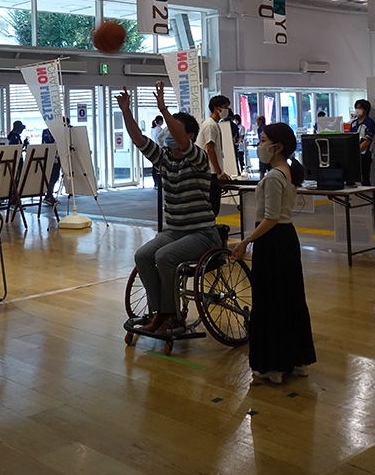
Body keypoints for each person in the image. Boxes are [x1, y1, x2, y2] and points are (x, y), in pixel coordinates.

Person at [118, 82, 221, 334]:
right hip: (174, 232)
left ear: (190, 136)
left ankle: (172, 316)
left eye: (174, 128)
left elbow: (183, 144)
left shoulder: (198, 158)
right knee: (143, 255)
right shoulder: (164, 158)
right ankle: (159, 312)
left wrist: (164, 109)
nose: (168, 132)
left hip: (202, 233)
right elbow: (138, 139)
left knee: (165, 256)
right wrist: (126, 111)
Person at [230, 122, 316, 385]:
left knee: (269, 301)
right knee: (290, 298)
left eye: (263, 140)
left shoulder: (273, 178)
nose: (260, 145)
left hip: (272, 241)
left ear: (277, 147)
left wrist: (246, 241)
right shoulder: (288, 173)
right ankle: (297, 360)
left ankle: (272, 365)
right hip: (286, 240)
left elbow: (270, 218)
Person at [196, 94, 231, 215]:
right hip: (209, 173)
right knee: (212, 208)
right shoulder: (210, 125)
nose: (226, 110)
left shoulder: (214, 124)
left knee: (214, 207)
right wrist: (219, 173)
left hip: (212, 172)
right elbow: (210, 149)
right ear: (217, 108)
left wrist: (221, 172)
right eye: (225, 107)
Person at [349, 99, 375, 185]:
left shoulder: (369, 123)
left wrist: (357, 150)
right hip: (354, 155)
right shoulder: (354, 123)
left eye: (359, 108)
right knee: (352, 177)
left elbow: (367, 141)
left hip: (365, 154)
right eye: (356, 108)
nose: (357, 110)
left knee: (365, 177)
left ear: (365, 110)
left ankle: (369, 192)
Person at [41, 125, 61, 205]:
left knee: (53, 177)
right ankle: (49, 195)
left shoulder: (45, 132)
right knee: (53, 177)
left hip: (51, 157)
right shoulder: (56, 132)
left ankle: (49, 195)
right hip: (53, 157)